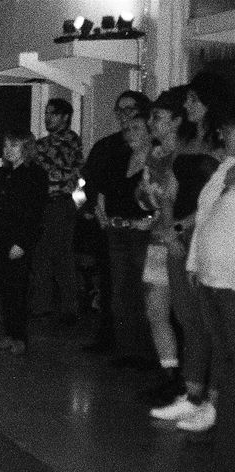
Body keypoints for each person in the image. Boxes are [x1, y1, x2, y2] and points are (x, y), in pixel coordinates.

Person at [146, 86, 220, 429]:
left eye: (194, 99)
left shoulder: (219, 145)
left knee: (213, 322)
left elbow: (215, 200)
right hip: (178, 235)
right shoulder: (184, 145)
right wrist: (168, 227)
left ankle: (210, 401)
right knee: (188, 319)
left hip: (204, 235)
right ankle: (191, 396)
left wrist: (181, 227)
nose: (189, 105)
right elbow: (170, 192)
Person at [81, 91, 154, 355]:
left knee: (139, 291)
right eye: (120, 111)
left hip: (140, 231)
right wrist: (95, 208)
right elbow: (96, 184)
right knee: (115, 288)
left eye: (131, 110)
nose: (125, 117)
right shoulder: (110, 147)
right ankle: (117, 343)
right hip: (111, 227)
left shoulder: (155, 154)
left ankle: (142, 349)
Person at [185, 109, 235, 440]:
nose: (225, 137)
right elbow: (204, 219)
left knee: (230, 352)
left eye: (230, 132)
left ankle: (222, 415)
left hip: (230, 280)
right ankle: (214, 409)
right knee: (221, 350)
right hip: (210, 275)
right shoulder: (224, 169)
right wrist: (193, 262)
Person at [0, 130, 48, 355]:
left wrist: (22, 242)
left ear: (26, 148)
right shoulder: (1, 173)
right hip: (0, 238)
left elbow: (34, 212)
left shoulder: (35, 174)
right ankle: (9, 332)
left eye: (14, 145)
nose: (8, 150)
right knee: (3, 288)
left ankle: (20, 336)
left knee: (18, 289)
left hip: (19, 240)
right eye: (6, 145)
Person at [30, 98, 85, 323]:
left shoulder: (70, 141)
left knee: (61, 256)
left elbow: (67, 171)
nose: (47, 117)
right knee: (41, 255)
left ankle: (69, 308)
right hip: (42, 204)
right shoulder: (42, 143)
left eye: (53, 113)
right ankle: (42, 304)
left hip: (60, 204)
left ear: (65, 117)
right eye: (46, 113)